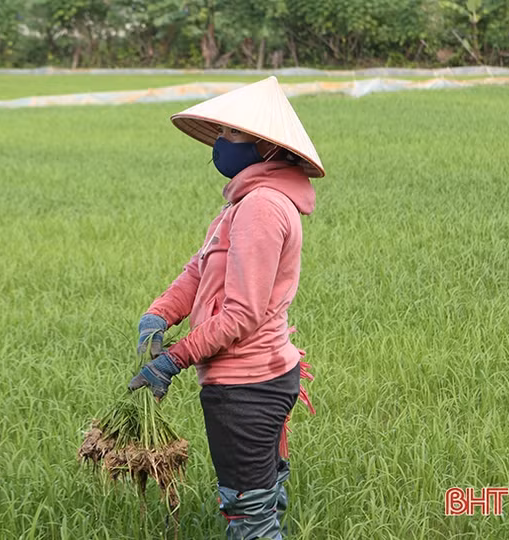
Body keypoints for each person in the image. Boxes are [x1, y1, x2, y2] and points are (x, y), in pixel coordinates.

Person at [128, 77, 323, 540]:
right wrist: (159, 314)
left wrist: (173, 359)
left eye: (232, 133)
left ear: (268, 147)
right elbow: (199, 270)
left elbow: (242, 314)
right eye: (221, 132)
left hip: (247, 386)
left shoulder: (262, 207)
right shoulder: (244, 202)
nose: (221, 142)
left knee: (250, 516)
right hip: (256, 378)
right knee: (263, 500)